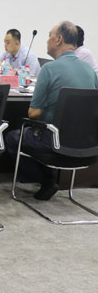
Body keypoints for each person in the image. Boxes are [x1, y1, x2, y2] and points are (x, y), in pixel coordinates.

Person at [5, 21, 98, 201]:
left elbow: (33, 113)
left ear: (59, 39)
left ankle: (46, 180)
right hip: (86, 144)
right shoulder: (90, 70)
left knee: (12, 137)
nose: (47, 40)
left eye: (49, 36)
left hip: (54, 141)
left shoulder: (49, 69)